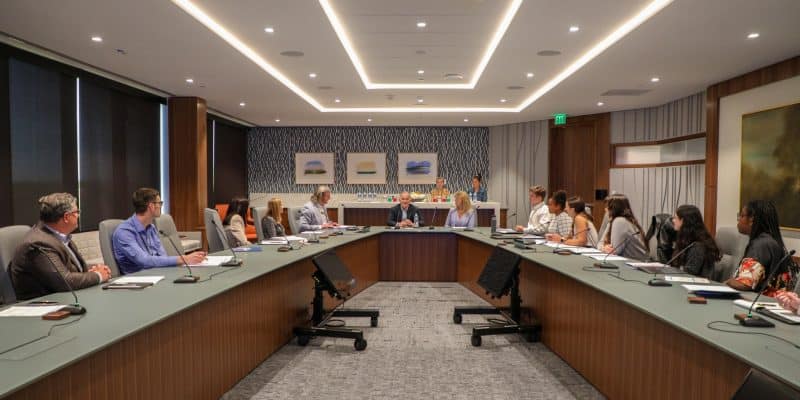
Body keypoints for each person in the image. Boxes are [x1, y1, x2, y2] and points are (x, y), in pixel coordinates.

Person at [9, 193, 111, 300]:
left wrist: (94, 271)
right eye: (76, 212)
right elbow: (65, 281)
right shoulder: (38, 243)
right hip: (46, 305)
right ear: (66, 217)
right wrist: (98, 275)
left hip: (69, 298)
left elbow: (74, 271)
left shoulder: (61, 236)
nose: (78, 215)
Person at [112, 188, 205, 275]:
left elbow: (162, 256)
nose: (161, 206)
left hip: (156, 274)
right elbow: (144, 261)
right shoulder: (124, 232)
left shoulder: (151, 227)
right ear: (151, 206)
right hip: (138, 281)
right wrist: (184, 259)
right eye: (160, 203)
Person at [726, 200, 794, 295]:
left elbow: (745, 283)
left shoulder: (761, 245)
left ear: (751, 220)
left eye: (741, 215)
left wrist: (727, 282)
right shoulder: (770, 241)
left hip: (760, 304)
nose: (738, 219)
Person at [670, 204, 721, 279]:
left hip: (697, 287)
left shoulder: (698, 246)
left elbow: (688, 274)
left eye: (675, 218)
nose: (673, 220)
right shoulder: (686, 240)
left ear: (683, 221)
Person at [600, 194, 648, 260]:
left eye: (607, 206)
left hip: (636, 264)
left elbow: (615, 251)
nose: (605, 209)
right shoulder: (616, 221)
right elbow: (600, 243)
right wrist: (603, 248)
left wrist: (604, 248)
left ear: (614, 208)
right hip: (629, 263)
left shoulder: (620, 221)